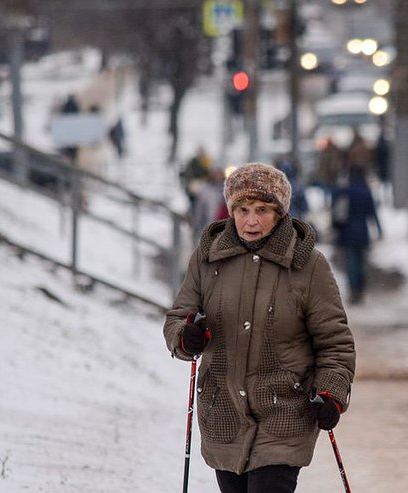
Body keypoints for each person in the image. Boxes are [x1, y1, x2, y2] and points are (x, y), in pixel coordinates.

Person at [163, 162, 356, 493]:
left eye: (262, 210)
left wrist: (331, 393)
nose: (250, 220)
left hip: (285, 411)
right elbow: (178, 317)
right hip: (223, 414)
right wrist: (186, 335)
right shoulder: (208, 259)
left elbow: (335, 342)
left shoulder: (308, 265)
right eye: (242, 209)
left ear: (280, 213)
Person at [332, 165, 382, 305]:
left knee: (351, 264)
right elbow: (373, 214)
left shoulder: (345, 191)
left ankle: (354, 292)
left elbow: (336, 209)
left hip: (347, 233)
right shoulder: (366, 192)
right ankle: (361, 291)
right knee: (361, 263)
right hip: (362, 232)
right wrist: (379, 230)